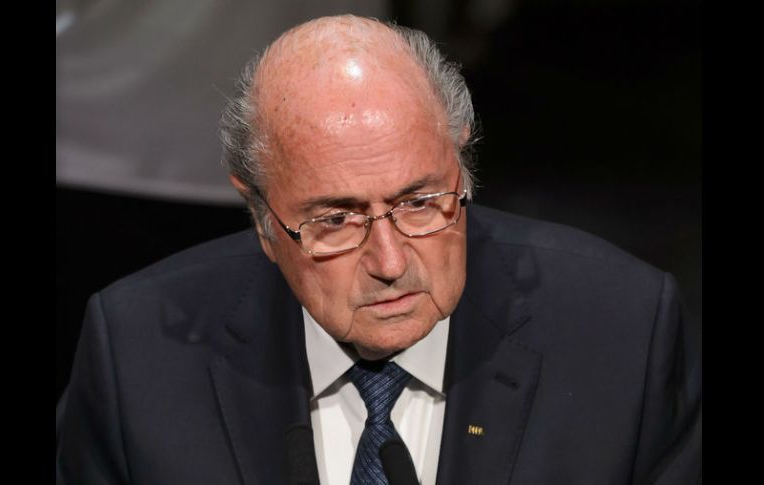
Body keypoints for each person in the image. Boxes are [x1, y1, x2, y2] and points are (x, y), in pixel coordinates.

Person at [56, 14, 701, 485]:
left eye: (421, 203)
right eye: (335, 220)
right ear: (260, 214)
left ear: (462, 162)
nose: (390, 263)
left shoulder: (624, 331)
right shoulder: (137, 354)